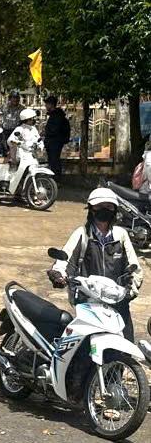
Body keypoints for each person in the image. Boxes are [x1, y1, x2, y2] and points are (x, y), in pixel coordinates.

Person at [49, 188, 143, 342]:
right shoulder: (82, 234)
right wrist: (58, 274)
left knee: (125, 348)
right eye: (99, 206)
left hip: (117, 303)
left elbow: (134, 268)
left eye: (108, 207)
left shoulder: (120, 235)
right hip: (88, 302)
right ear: (91, 209)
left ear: (115, 210)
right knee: (85, 349)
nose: (104, 210)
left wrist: (128, 291)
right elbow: (65, 260)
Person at [43, 96, 70, 178]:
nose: (45, 106)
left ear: (51, 104)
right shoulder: (55, 115)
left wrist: (46, 133)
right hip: (53, 142)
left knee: (54, 161)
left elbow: (54, 130)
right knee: (53, 161)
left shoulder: (57, 116)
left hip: (55, 142)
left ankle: (56, 179)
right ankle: (55, 178)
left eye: (47, 104)